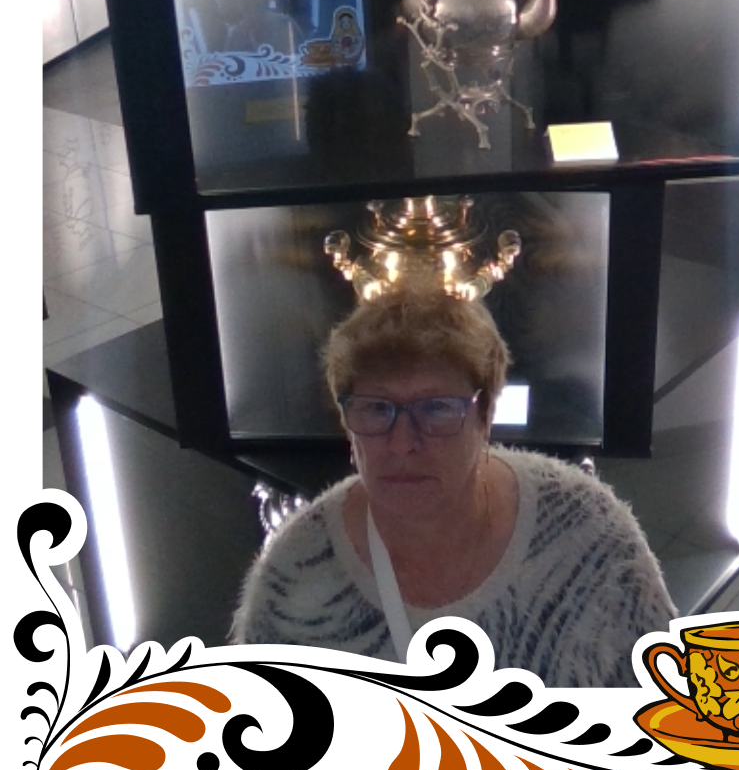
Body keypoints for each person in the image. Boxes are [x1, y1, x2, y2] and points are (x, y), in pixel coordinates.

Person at [232, 285, 675, 687]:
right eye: (376, 409)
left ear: (485, 418)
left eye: (437, 409)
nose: (402, 443)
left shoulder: (587, 537)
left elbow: (665, 700)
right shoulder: (296, 578)